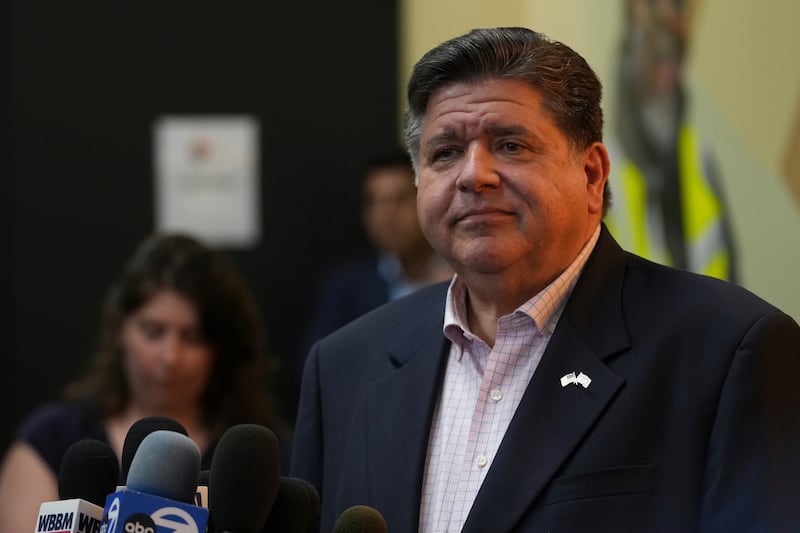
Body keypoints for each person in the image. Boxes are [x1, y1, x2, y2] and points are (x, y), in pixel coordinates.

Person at [290, 27, 800, 532]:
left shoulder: (728, 350)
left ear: (593, 175)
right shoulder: (345, 366)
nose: (474, 175)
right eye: (445, 152)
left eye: (510, 145)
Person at [0, 233, 288, 533]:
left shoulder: (258, 457)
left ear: (220, 348)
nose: (170, 357)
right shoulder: (51, 438)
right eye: (153, 331)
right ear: (120, 329)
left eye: (192, 337)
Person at [289, 150, 452, 417]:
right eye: (374, 202)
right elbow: (313, 369)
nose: (386, 215)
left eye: (400, 199)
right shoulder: (347, 287)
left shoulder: (460, 282)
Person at [604, 0, 737, 281]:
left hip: (711, 317)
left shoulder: (697, 155)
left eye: (673, 57)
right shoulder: (607, 171)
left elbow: (727, 261)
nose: (669, 71)